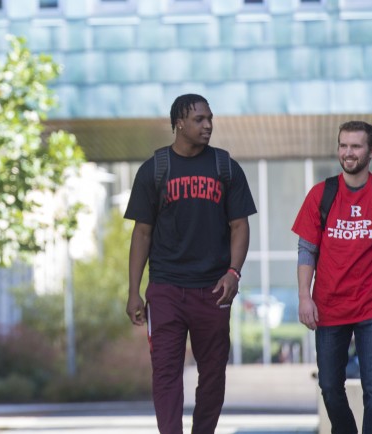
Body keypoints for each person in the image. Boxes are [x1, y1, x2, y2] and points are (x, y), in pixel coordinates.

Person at [124, 94, 257, 434]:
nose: (208, 125)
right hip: (166, 289)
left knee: (212, 374)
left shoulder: (225, 167)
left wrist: (233, 272)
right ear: (179, 123)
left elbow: (240, 226)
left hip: (212, 290)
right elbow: (142, 233)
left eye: (210, 118)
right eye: (199, 119)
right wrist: (134, 292)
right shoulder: (154, 169)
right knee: (165, 372)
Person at [292, 120, 372, 434]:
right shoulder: (321, 195)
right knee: (329, 386)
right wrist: (304, 296)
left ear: (371, 151)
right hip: (329, 305)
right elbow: (306, 250)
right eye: (344, 146)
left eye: (356, 146)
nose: (348, 153)